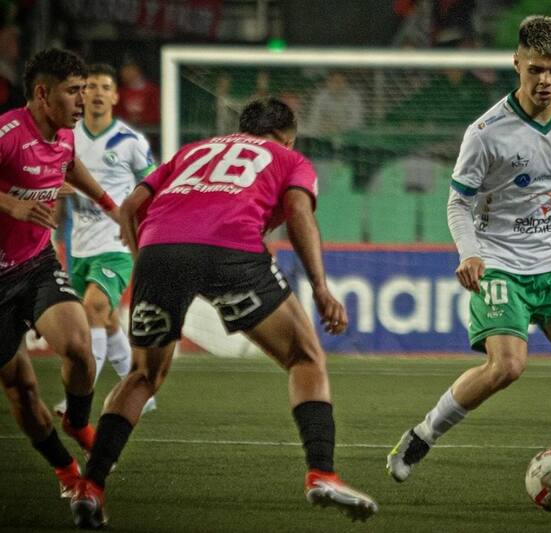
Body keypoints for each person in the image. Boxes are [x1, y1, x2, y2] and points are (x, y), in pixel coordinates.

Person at [68, 97, 378, 528]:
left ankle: (91, 486)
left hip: (160, 252)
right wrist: (321, 289)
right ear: (288, 137)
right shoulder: (290, 159)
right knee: (304, 356)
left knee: (142, 375)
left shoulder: (193, 151)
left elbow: (131, 207)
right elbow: (298, 212)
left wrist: (148, 263)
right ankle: (321, 472)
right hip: (232, 250)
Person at [386, 15, 551, 510]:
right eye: (536, 69)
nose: (545, 81)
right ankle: (422, 435)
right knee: (508, 366)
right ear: (517, 63)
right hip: (501, 265)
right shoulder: (486, 133)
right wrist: (469, 252)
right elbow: (457, 203)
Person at [0, 48, 121, 499]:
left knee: (78, 345)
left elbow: (69, 165)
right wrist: (11, 204)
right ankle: (66, 470)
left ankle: (76, 419)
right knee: (21, 390)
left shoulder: (65, 135)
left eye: (84, 89)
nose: (82, 100)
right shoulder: (8, 133)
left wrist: (111, 206)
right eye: (73, 91)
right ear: (41, 93)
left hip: (35, 264)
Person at [53, 63, 158, 418]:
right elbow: (50, 181)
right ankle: (141, 389)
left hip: (117, 245)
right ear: (82, 94)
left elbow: (153, 187)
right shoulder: (67, 138)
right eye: (91, 87)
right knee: (108, 319)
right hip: (79, 247)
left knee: (93, 309)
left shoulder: (131, 142)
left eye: (105, 87)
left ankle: (79, 396)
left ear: (115, 97)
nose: (97, 93)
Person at [116, 58, 160, 128]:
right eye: (123, 71)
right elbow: (116, 114)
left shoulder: (153, 91)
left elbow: (156, 114)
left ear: (137, 70)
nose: (123, 74)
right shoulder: (120, 92)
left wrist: (141, 119)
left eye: (128, 70)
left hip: (150, 131)